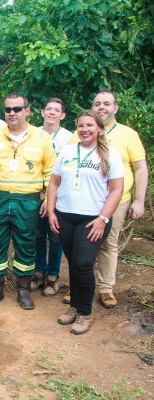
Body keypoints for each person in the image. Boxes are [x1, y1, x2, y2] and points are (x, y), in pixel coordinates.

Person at [0, 93, 56, 310]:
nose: (12, 113)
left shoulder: (42, 138)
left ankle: (24, 291)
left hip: (28, 201)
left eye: (17, 109)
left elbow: (51, 173)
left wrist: (48, 199)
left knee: (26, 245)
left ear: (27, 111)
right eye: (8, 109)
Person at [48, 111, 124, 334]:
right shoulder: (68, 151)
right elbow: (54, 183)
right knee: (73, 263)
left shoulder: (110, 154)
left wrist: (103, 218)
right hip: (65, 216)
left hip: (93, 219)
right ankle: (74, 307)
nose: (85, 129)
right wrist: (51, 211)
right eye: (81, 125)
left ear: (99, 128)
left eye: (90, 125)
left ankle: (85, 313)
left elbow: (116, 189)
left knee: (83, 263)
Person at [84, 91, 147, 308]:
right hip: (86, 201)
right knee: (82, 244)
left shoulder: (128, 134)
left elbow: (140, 168)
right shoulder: (83, 131)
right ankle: (81, 287)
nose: (102, 107)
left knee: (108, 243)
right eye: (97, 103)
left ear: (115, 108)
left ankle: (105, 287)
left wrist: (139, 200)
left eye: (107, 104)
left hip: (117, 201)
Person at [33, 98, 73, 296]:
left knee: (55, 236)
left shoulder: (69, 138)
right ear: (42, 112)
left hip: (59, 194)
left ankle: (52, 276)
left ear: (62, 115)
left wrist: (52, 197)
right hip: (37, 192)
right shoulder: (34, 135)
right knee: (39, 235)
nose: (51, 113)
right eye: (48, 109)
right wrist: (41, 194)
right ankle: (38, 271)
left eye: (56, 110)